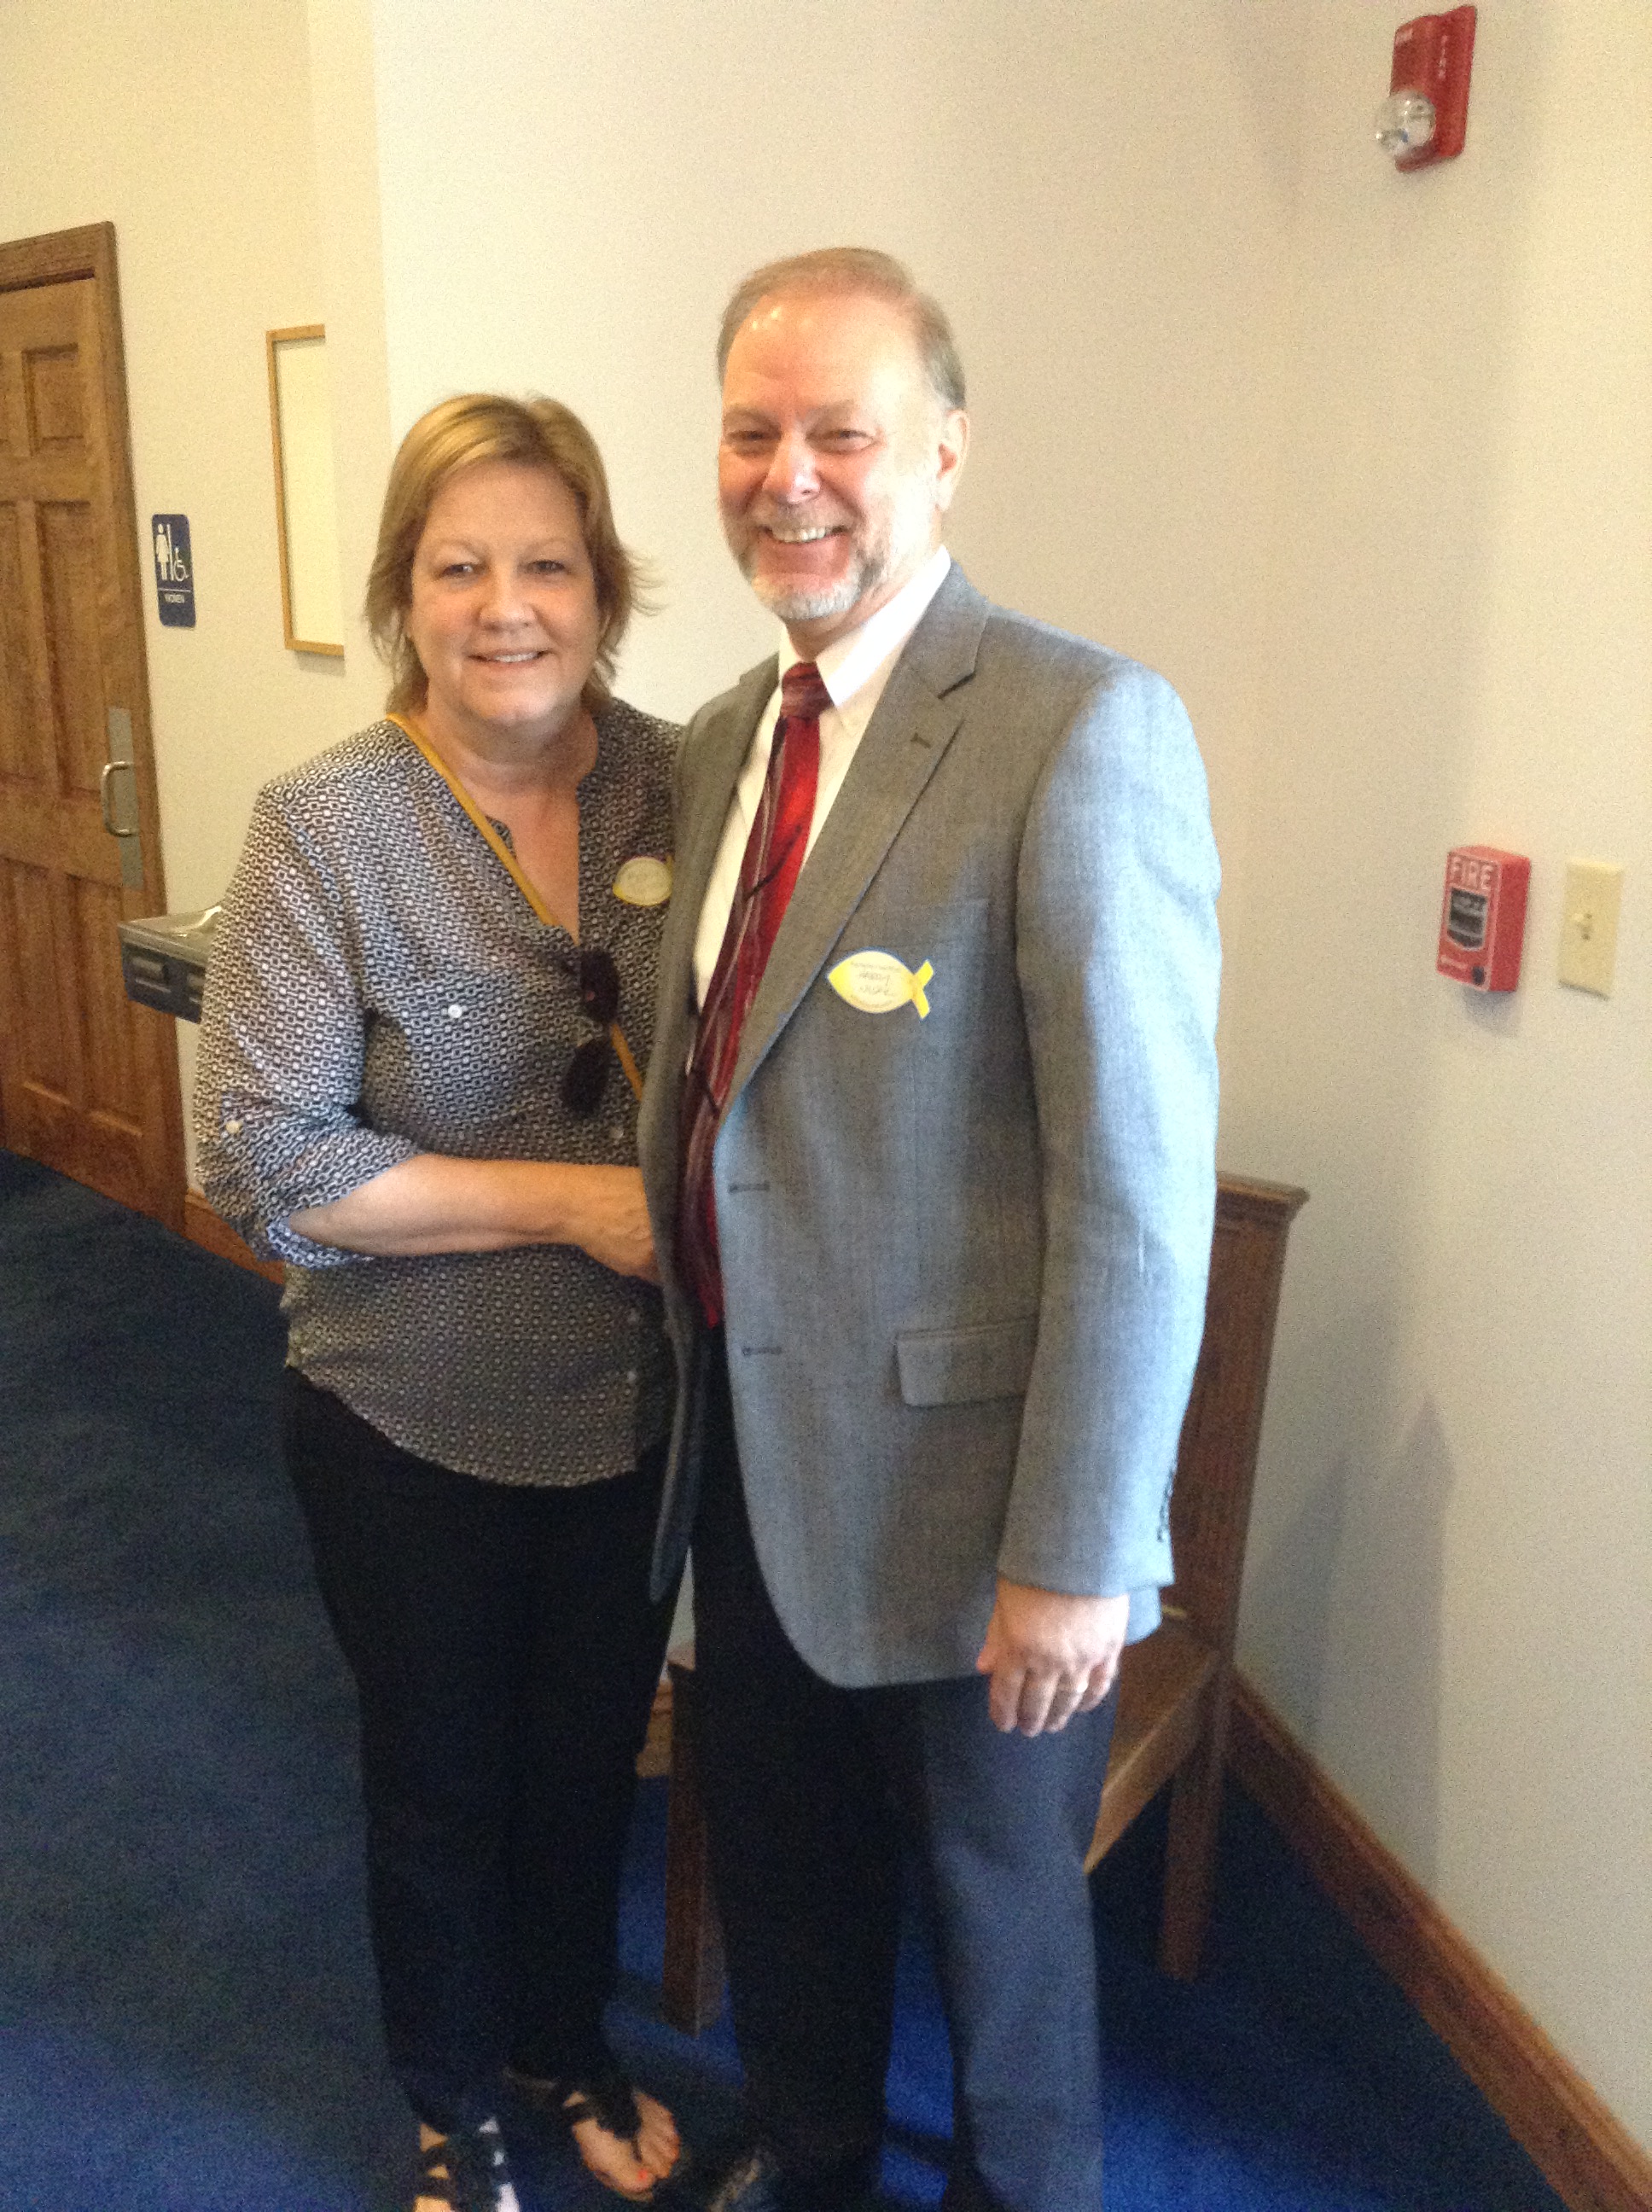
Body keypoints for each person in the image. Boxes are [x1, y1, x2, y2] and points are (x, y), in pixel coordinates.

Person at [636, 251, 1221, 2212]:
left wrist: (1077, 1552)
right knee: (784, 1870)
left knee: (998, 1941)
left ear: (943, 454)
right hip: (749, 1451)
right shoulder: (724, 735)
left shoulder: (1077, 726)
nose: (786, 476)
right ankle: (809, 2160)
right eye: (750, 432)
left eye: (841, 433)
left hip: (980, 1508)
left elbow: (1135, 1195)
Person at [196, 393, 684, 2212]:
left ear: (602, 586)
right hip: (405, 1425)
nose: (505, 607)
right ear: (403, 592)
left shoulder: (680, 785)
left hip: (635, 1419)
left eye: (545, 564)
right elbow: (259, 1156)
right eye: (458, 565)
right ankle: (452, 2098)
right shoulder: (323, 827)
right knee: (440, 1785)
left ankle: (564, 2043)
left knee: (585, 1771)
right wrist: (575, 1204)